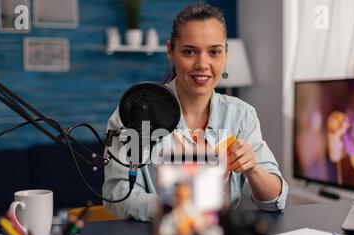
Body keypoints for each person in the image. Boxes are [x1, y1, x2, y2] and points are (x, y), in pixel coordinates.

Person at [103, 3, 288, 221]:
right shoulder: (135, 112)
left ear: (226, 55)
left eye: (214, 52)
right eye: (189, 51)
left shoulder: (241, 116)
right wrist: (179, 207)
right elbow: (117, 195)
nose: (202, 64)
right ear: (170, 51)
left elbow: (275, 200)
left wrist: (253, 169)